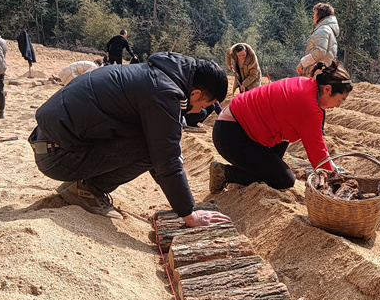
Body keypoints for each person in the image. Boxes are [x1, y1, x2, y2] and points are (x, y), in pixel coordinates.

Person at [28, 51, 231, 227]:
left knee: (153, 143)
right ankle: (87, 190)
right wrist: (189, 214)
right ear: (195, 93)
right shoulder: (163, 93)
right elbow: (165, 159)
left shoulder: (155, 75)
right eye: (205, 105)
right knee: (152, 149)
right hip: (57, 157)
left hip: (50, 144)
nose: (201, 111)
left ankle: (80, 183)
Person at [209, 60, 352, 193]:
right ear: (327, 89)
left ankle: (249, 171)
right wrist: (333, 183)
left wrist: (333, 170)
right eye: (340, 100)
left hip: (240, 127)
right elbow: (317, 152)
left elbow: (318, 146)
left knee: (278, 156)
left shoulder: (307, 85)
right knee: (283, 180)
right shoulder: (309, 107)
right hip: (232, 136)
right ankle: (223, 173)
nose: (338, 105)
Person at [296, 3, 339, 77]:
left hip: (317, 74)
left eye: (315, 14)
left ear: (321, 15)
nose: (313, 16)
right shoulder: (328, 29)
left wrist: (302, 63)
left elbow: (320, 51)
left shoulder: (323, 30)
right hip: (322, 72)